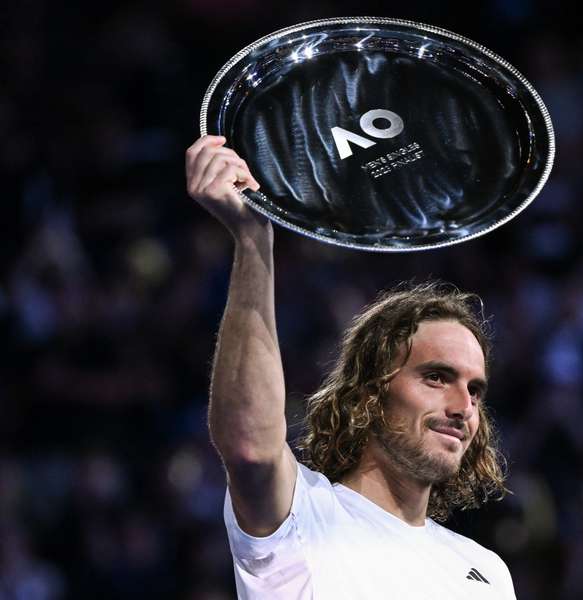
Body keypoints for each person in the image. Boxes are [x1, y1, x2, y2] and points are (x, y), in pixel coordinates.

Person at [185, 135, 516, 599]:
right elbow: (250, 446)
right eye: (437, 377)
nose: (463, 406)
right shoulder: (304, 512)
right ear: (369, 394)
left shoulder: (486, 573)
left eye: (476, 390)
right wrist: (253, 239)